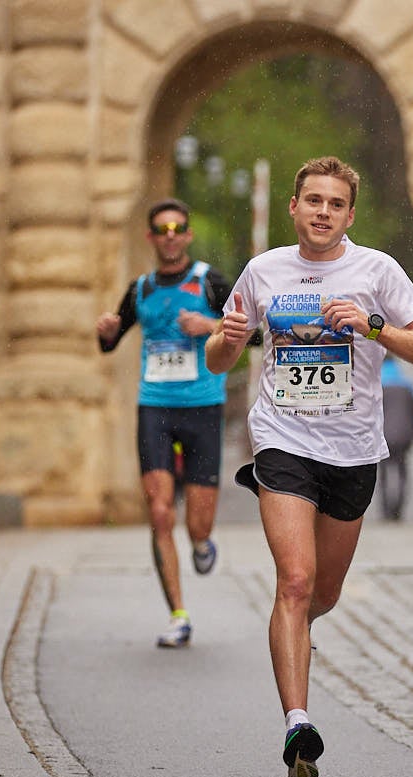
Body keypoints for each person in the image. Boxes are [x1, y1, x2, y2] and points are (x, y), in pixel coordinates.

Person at [205, 156, 413, 777]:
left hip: (352, 452)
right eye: (312, 200)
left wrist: (374, 327)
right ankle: (297, 723)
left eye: (334, 204)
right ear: (293, 207)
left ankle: (292, 635)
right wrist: (230, 338)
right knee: (294, 579)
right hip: (283, 442)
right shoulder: (263, 271)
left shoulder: (377, 271)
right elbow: (215, 360)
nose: (322, 212)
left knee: (321, 594)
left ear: (349, 214)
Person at [96, 198, 232, 648]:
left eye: (178, 227)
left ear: (188, 235)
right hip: (154, 405)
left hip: (203, 406)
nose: (170, 234)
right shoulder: (140, 289)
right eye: (161, 228)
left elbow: (250, 333)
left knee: (198, 522)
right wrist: (107, 332)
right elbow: (111, 342)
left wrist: (210, 325)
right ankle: (178, 614)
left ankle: (201, 543)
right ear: (151, 238)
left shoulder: (209, 281)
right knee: (158, 513)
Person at [378, 355, 413, 520]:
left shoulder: (378, 385)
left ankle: (385, 509)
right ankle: (398, 509)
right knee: (402, 470)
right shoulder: (407, 385)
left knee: (383, 471)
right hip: (404, 435)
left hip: (383, 436)